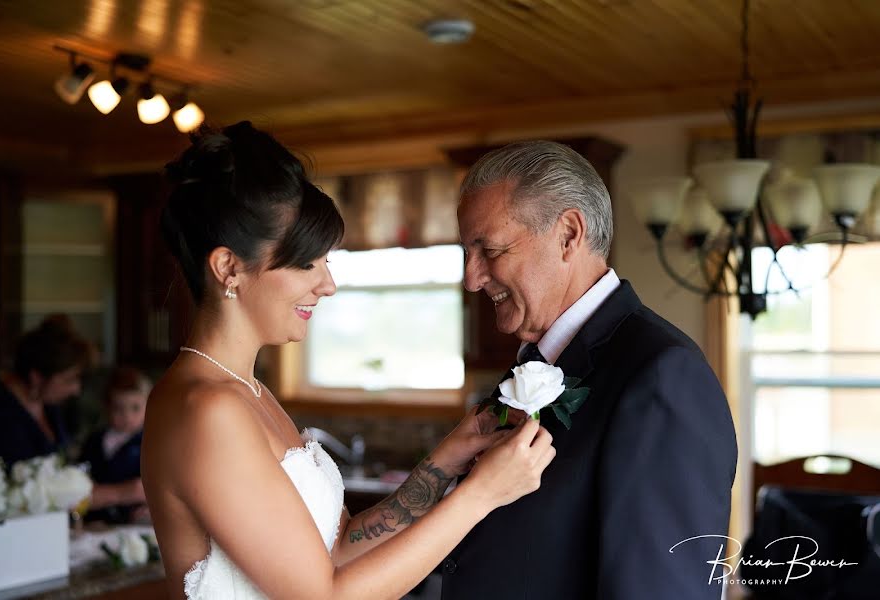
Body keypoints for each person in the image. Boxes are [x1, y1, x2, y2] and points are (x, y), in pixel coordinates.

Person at [141, 121, 555, 600]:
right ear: (228, 267)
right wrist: (480, 495)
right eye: (306, 263)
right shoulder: (206, 409)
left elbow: (338, 547)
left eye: (327, 263)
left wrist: (446, 458)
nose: (327, 285)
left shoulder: (247, 392)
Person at [442, 141, 738, 599]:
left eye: (491, 249)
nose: (471, 278)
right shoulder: (531, 365)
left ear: (568, 235)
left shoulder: (661, 377)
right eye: (466, 252)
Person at [0, 315, 91, 468]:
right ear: (37, 377)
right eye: (69, 380)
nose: (76, 390)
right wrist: (114, 493)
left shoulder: (47, 401)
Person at [80, 366, 150, 523]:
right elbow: (82, 473)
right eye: (118, 408)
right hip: (93, 518)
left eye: (135, 408)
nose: (127, 416)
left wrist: (150, 506)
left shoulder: (152, 443)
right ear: (106, 407)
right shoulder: (94, 440)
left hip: (131, 520)